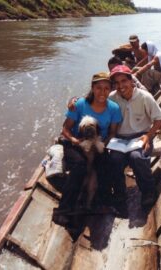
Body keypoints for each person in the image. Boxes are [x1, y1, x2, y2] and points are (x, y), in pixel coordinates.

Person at [54, 72, 122, 224]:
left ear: (110, 89)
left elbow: (112, 132)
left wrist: (104, 143)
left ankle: (101, 201)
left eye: (106, 88)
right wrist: (74, 140)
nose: (102, 92)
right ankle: (64, 208)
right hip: (76, 143)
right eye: (98, 88)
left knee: (106, 163)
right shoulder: (79, 104)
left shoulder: (114, 108)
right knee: (80, 165)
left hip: (98, 142)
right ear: (92, 88)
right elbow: (65, 128)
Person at [108, 65, 161, 212]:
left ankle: (148, 192)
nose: (121, 86)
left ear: (132, 81)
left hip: (141, 136)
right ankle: (119, 194)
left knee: (137, 158)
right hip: (120, 139)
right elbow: (94, 105)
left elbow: (159, 119)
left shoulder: (144, 97)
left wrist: (148, 135)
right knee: (114, 160)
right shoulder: (112, 98)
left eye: (124, 81)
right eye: (117, 83)